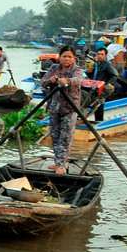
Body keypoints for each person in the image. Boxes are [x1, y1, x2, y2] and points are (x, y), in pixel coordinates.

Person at [41, 45, 84, 176]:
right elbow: (43, 82)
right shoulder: (54, 68)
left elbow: (78, 80)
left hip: (69, 107)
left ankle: (62, 164)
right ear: (59, 57)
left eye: (69, 57)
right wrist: (51, 80)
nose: (66, 59)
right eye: (64, 56)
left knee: (65, 137)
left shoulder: (76, 70)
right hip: (54, 106)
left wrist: (67, 81)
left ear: (74, 58)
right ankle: (58, 161)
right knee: (55, 135)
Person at [89, 47, 119, 121]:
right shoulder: (96, 64)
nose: (99, 56)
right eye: (98, 54)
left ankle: (99, 121)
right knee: (94, 104)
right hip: (94, 87)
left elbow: (115, 75)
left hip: (101, 88)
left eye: (102, 54)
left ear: (105, 55)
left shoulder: (107, 65)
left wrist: (107, 84)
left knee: (99, 105)